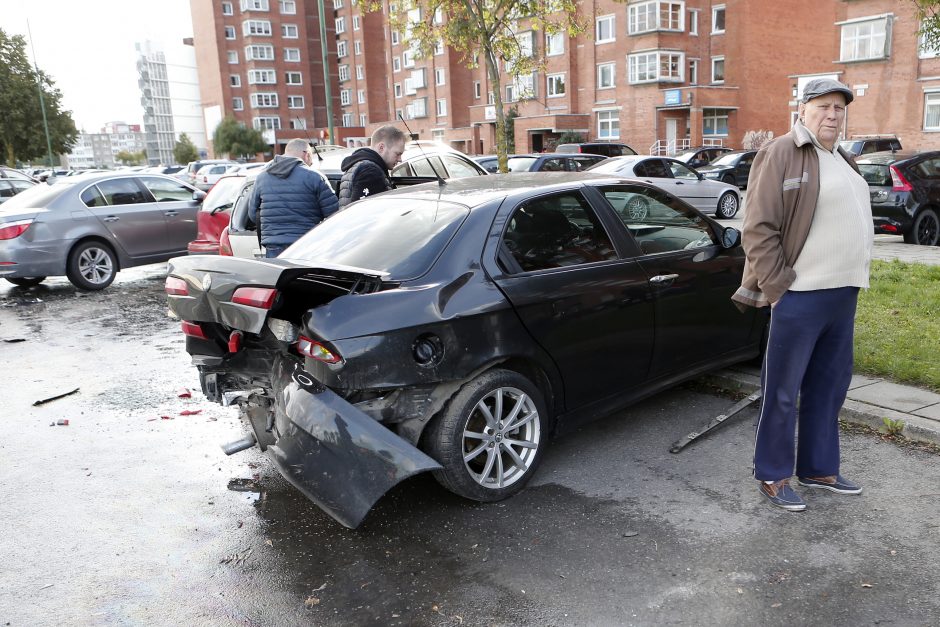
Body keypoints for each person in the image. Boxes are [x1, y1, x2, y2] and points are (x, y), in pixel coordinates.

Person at [732, 78, 873, 512]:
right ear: (804, 108)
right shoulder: (781, 152)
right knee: (783, 390)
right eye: (824, 106)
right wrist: (777, 288)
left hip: (842, 292)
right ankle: (773, 474)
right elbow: (757, 228)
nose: (833, 114)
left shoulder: (841, 157)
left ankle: (818, 468)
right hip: (800, 294)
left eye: (840, 108)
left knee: (829, 386)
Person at [248, 138, 338, 258]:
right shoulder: (315, 177)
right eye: (311, 156)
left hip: (274, 245)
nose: (311, 162)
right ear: (306, 154)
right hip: (306, 243)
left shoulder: (261, 178)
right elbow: (334, 214)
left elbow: (253, 214)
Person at [337, 125, 407, 209]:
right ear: (381, 147)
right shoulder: (369, 171)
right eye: (397, 154)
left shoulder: (361, 165)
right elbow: (368, 215)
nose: (400, 160)